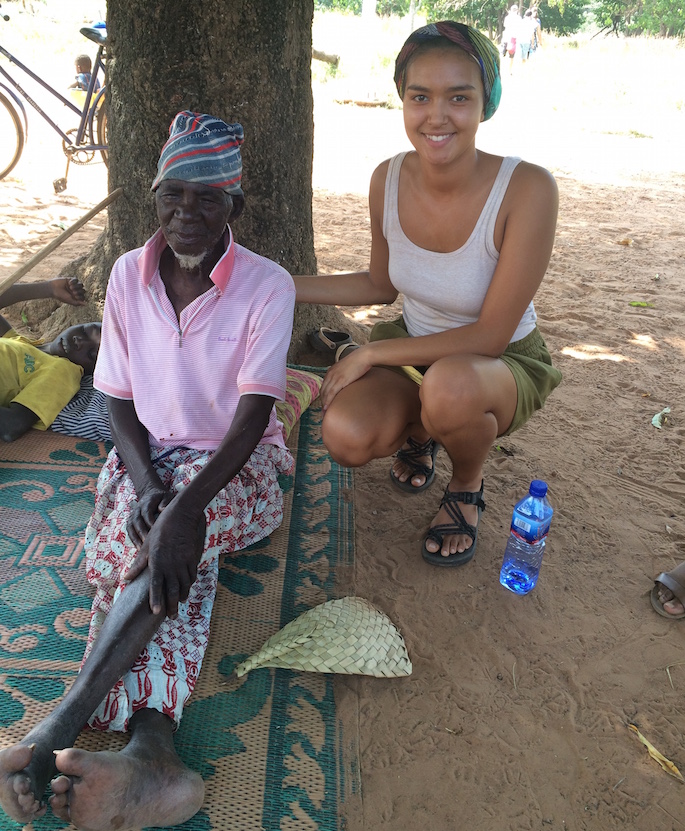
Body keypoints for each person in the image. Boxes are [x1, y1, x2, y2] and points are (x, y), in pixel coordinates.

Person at [0, 111, 296, 829]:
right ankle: (154, 752)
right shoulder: (128, 277)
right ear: (154, 195)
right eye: (173, 195)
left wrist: (185, 507)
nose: (186, 213)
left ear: (236, 207)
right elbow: (116, 397)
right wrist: (147, 482)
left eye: (207, 198)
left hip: (236, 466)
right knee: (155, 558)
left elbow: (254, 413)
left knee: (161, 548)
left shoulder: (267, 284)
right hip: (147, 460)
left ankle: (57, 725)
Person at [294, 22, 561, 567]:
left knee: (450, 389)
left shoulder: (527, 189)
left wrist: (369, 351)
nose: (437, 116)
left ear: (486, 103)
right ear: (403, 101)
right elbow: (379, 283)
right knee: (344, 435)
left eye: (458, 97)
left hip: (497, 362)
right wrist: (278, 285)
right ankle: (425, 432)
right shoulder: (387, 179)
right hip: (416, 346)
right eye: (420, 96)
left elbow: (490, 335)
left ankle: (465, 480)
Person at [0, 277, 102, 442]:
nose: (79, 342)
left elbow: (13, 424)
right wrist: (49, 289)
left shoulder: (65, 371)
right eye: (85, 331)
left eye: (92, 354)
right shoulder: (21, 344)